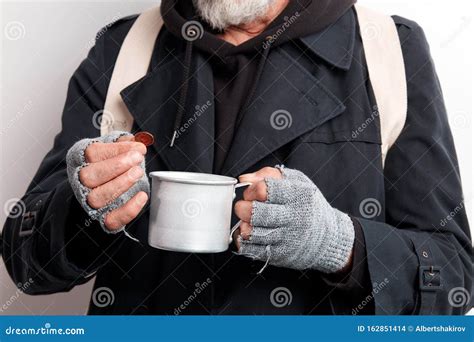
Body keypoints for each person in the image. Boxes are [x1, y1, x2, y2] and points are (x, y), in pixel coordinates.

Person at [2, 0, 472, 315]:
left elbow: (454, 275)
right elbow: (25, 263)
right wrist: (82, 210)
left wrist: (341, 245)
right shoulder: (124, 47)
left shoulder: (388, 50)